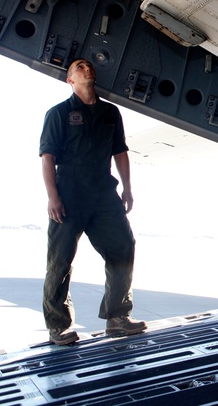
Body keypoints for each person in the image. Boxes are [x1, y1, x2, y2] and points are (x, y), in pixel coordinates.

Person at [39, 58, 147, 345]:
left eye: (89, 66)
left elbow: (120, 152)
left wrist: (127, 188)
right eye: (79, 67)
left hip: (104, 194)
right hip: (69, 194)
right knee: (60, 261)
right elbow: (48, 157)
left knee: (124, 247)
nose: (87, 69)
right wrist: (53, 197)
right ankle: (58, 325)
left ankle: (117, 316)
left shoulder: (111, 113)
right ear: (70, 80)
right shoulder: (59, 113)